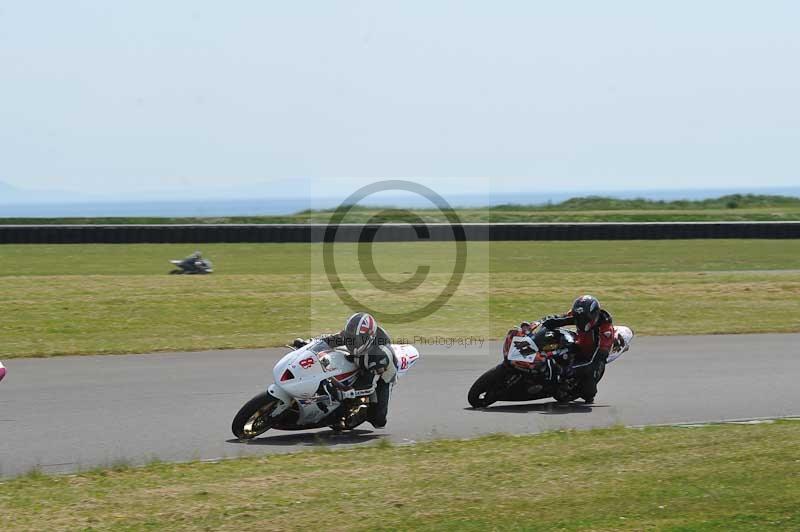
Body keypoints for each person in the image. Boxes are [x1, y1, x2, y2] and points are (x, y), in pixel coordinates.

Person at [293, 312, 397, 428]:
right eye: (350, 338)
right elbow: (329, 340)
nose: (352, 342)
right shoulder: (350, 337)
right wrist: (309, 344)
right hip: (360, 358)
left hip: (380, 374)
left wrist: (345, 391)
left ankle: (361, 412)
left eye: (358, 339)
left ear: (369, 337)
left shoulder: (378, 356)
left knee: (378, 420)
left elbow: (368, 385)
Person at [539, 295, 614, 403]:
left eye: (584, 319)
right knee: (556, 342)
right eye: (578, 319)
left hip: (594, 355)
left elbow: (599, 357)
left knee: (588, 392)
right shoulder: (577, 314)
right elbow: (559, 319)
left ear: (594, 315)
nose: (580, 322)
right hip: (579, 344)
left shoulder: (605, 327)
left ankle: (588, 393)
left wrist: (574, 369)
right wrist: (542, 323)